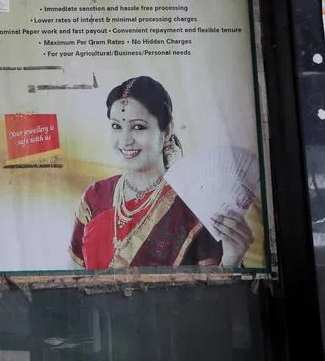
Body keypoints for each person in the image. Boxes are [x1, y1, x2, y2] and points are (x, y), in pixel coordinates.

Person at [69, 76, 253, 270]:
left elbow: (209, 294)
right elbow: (71, 283)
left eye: (138, 127)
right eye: (116, 126)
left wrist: (231, 260)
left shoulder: (195, 204)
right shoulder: (95, 196)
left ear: (166, 132)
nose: (125, 140)